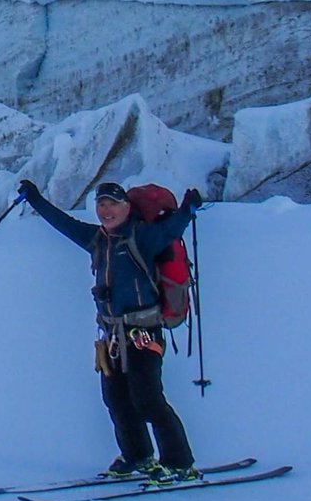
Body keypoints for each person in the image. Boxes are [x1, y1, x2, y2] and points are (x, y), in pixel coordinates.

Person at [15, 177, 203, 482]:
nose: (106, 210)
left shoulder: (142, 237)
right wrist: (35, 199)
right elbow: (63, 223)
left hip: (143, 332)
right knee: (116, 398)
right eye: (101, 204)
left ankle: (180, 462)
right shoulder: (96, 239)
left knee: (148, 399)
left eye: (113, 203)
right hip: (112, 336)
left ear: (127, 207)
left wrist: (187, 209)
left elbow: (171, 229)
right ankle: (138, 456)